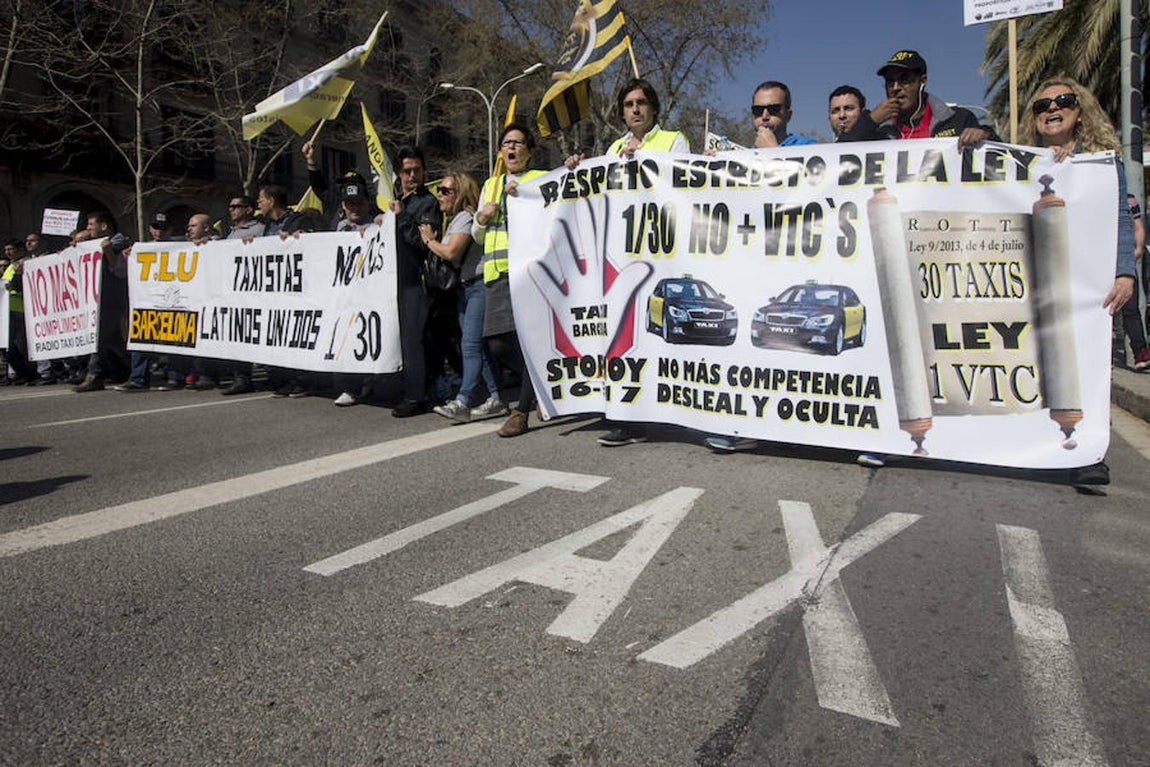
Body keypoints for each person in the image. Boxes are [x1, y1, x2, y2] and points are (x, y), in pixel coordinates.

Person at [1022, 76, 1138, 485]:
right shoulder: (1021, 163)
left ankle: (1088, 455)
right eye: (1042, 105)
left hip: (1086, 285)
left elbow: (1121, 219)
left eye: (1063, 101)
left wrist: (1125, 272)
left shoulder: (1102, 164)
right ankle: (1035, 444)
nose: (1053, 109)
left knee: (1087, 367)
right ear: (1033, 118)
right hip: (1038, 284)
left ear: (1079, 109)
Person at [473, 123, 549, 437]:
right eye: (506, 143)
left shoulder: (540, 180)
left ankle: (521, 410)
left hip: (528, 273)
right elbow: (478, 236)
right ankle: (541, 387)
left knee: (530, 341)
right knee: (498, 344)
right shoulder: (490, 185)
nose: (511, 148)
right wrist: (482, 218)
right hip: (497, 274)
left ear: (529, 150)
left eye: (518, 143)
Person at [422, 171, 507, 423]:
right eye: (439, 190)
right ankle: (497, 397)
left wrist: (429, 241)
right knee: (478, 348)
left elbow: (451, 252)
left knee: (470, 345)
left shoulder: (465, 216)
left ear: (460, 193)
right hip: (467, 287)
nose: (440, 195)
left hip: (478, 286)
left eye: (446, 190)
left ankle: (463, 400)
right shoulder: (456, 218)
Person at [842, 50, 995, 148]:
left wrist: (984, 134)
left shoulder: (958, 118)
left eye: (904, 79)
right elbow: (834, 157)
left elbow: (1003, 155)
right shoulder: (876, 129)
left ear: (922, 81)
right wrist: (871, 121)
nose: (896, 87)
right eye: (890, 81)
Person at [390, 146, 440, 417]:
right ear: (399, 174)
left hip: (416, 282)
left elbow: (420, 244)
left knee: (413, 339)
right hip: (395, 281)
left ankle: (415, 396)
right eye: (407, 171)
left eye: (416, 170)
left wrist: (401, 217)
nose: (412, 176)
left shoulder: (427, 203)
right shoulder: (398, 201)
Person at [73, 212, 131, 392]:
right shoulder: (92, 245)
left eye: (91, 225)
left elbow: (118, 269)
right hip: (97, 301)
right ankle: (136, 368)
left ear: (104, 226)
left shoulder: (119, 241)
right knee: (114, 341)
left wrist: (105, 249)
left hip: (111, 299)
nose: (88, 229)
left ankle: (95, 376)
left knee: (98, 338)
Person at [1114, 193, 1150, 370]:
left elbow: (1138, 226)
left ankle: (1140, 352)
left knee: (1131, 309)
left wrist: (1138, 249)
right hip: (1101, 261)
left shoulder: (1129, 200)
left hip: (1124, 261)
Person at [749, 81, 816, 148]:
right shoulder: (746, 154)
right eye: (758, 110)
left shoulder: (807, 146)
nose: (764, 116)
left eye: (773, 109)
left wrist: (772, 149)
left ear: (788, 115)